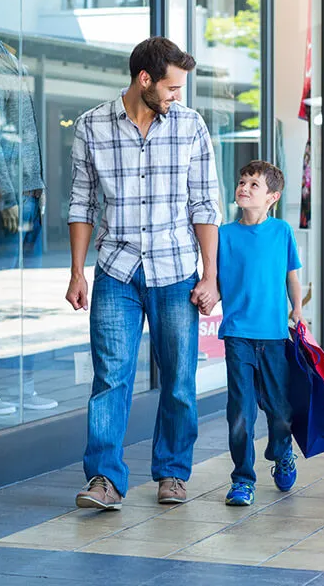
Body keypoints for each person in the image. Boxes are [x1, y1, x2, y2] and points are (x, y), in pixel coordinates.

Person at [66, 37, 221, 510]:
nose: (178, 96)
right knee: (111, 377)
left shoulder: (191, 126)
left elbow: (204, 204)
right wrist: (77, 272)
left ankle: (173, 473)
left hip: (176, 271)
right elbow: (81, 203)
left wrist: (210, 275)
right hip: (116, 269)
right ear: (144, 80)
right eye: (172, 87)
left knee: (178, 377)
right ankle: (105, 480)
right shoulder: (92, 126)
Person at [203, 160, 305, 507]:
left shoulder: (282, 233)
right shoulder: (224, 234)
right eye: (242, 181)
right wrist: (208, 293)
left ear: (272, 197)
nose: (244, 188)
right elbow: (215, 278)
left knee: (280, 410)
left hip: (275, 336)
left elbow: (292, 276)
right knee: (240, 412)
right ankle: (243, 479)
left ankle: (282, 452)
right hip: (237, 336)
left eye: (254, 185)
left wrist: (298, 310)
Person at [0, 36, 56, 414]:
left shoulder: (11, 61)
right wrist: (5, 196)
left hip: (29, 198)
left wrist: (37, 193)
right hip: (11, 200)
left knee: (24, 301)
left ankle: (19, 384)